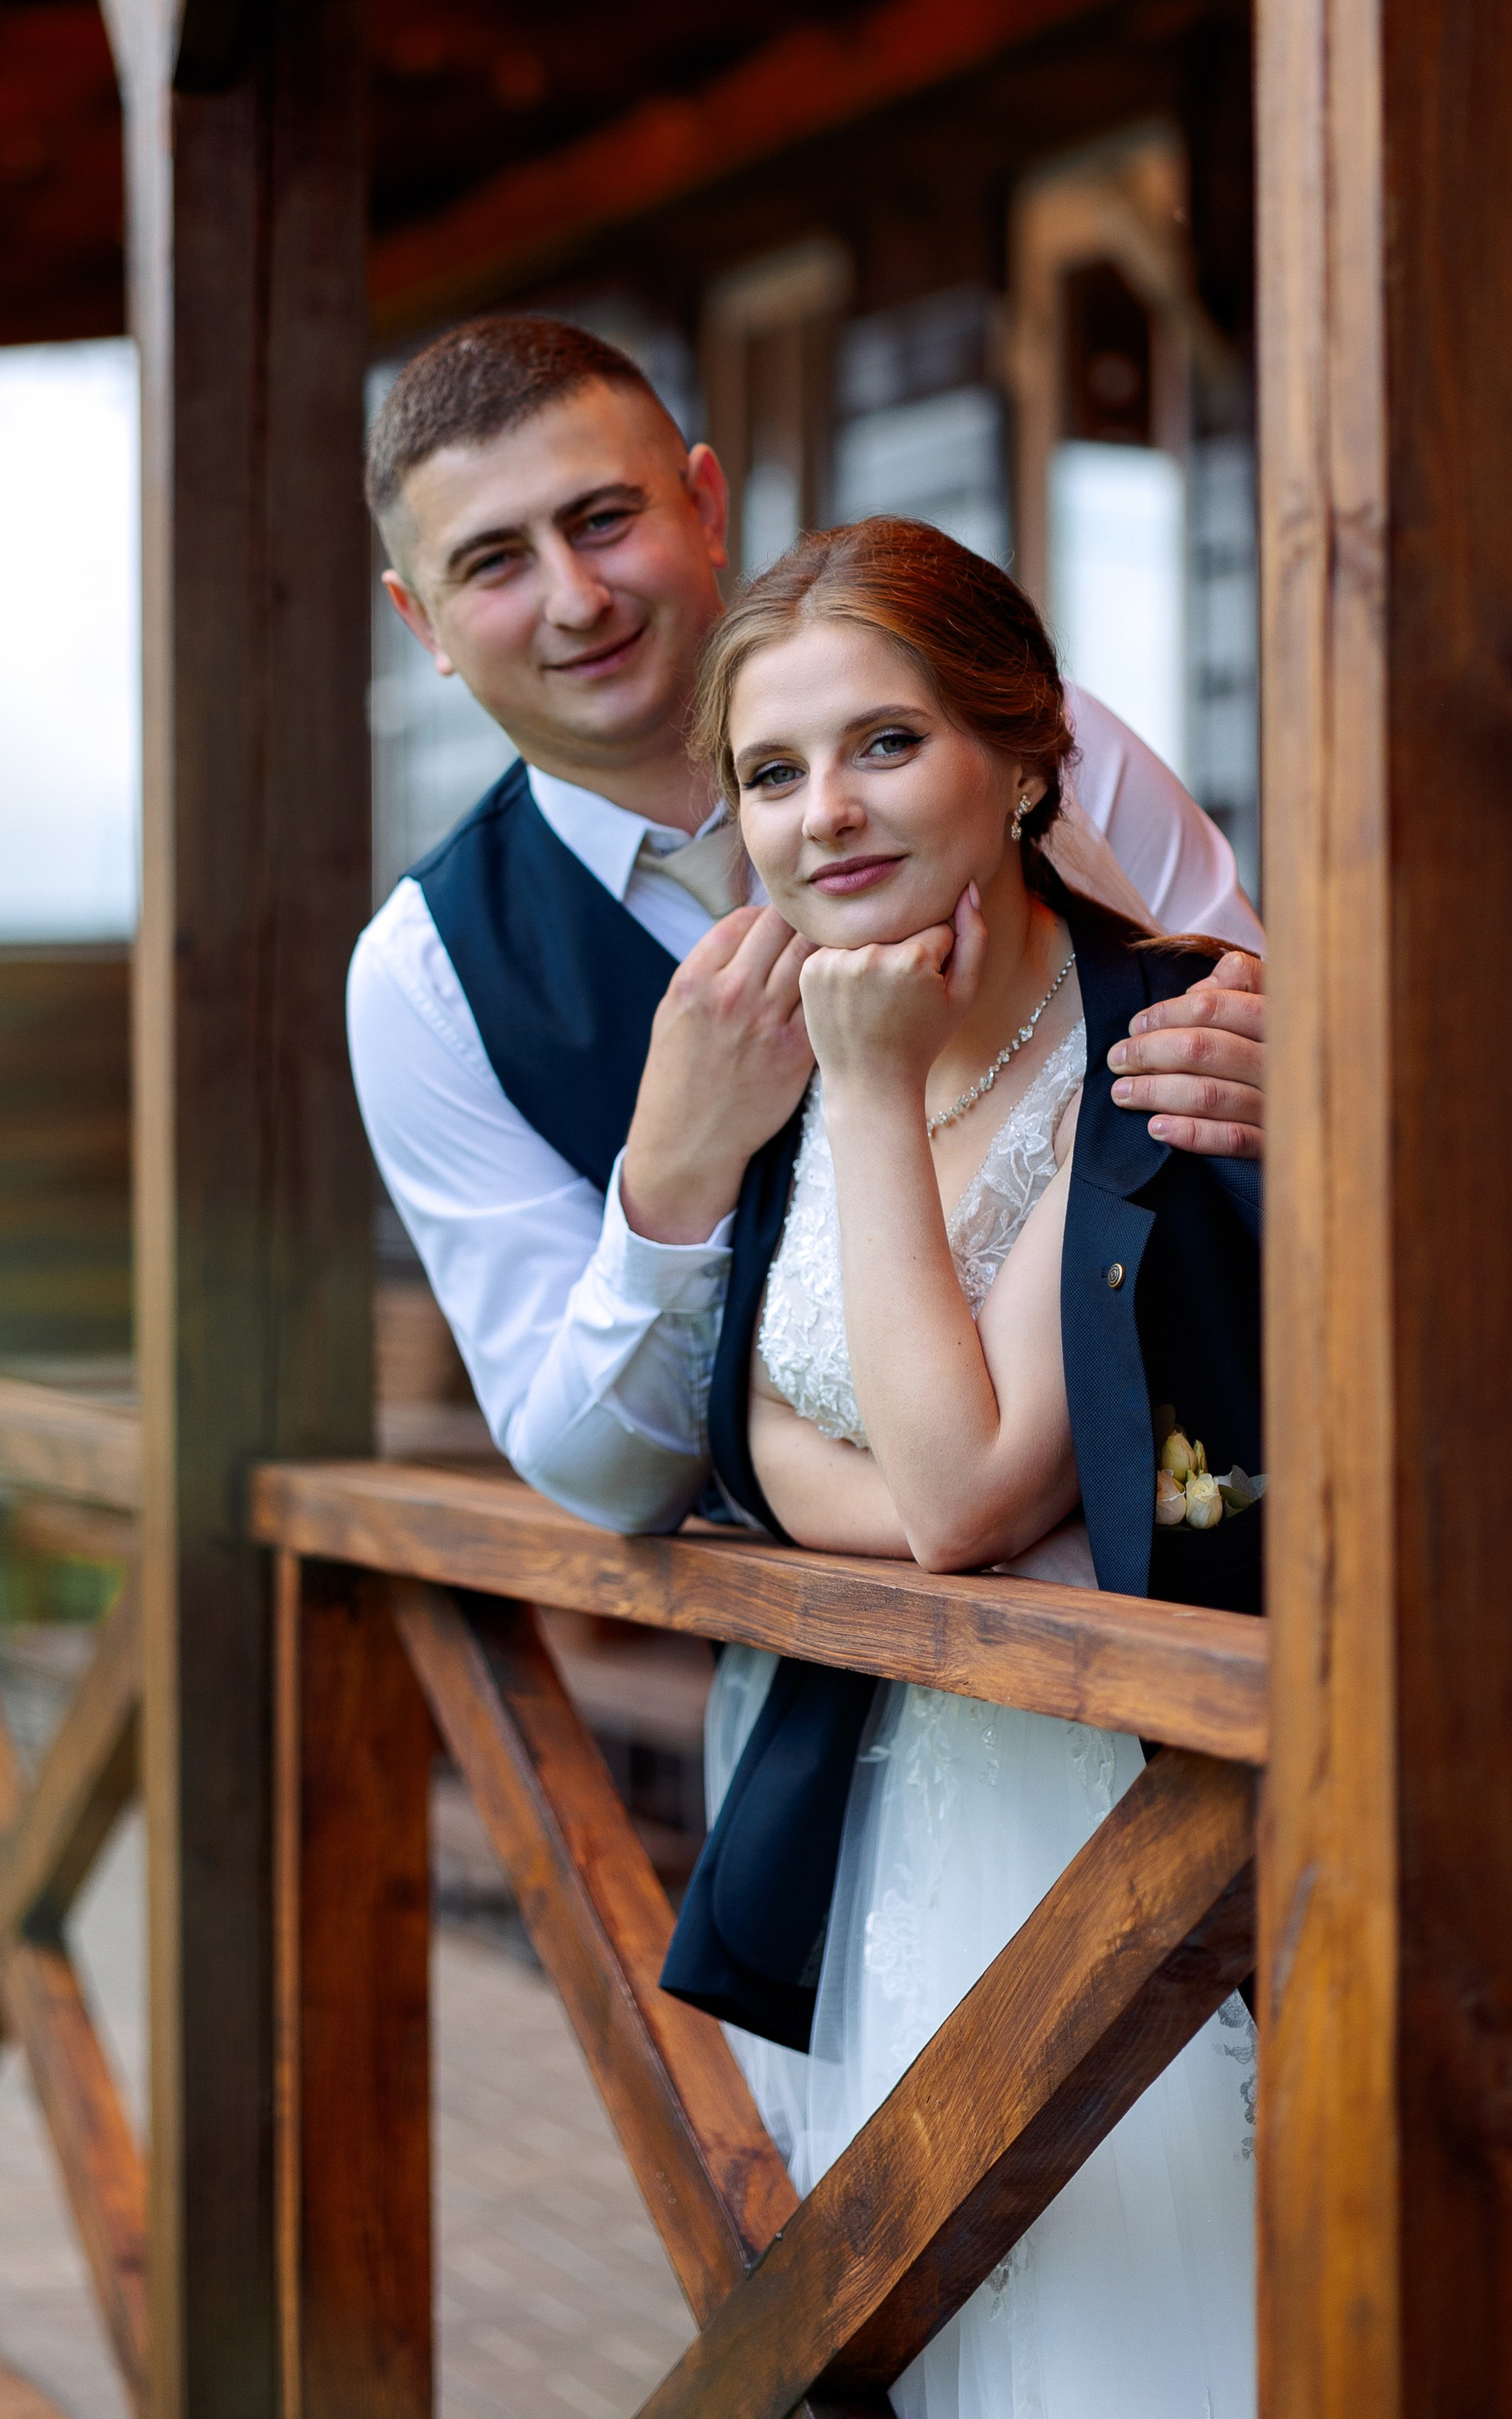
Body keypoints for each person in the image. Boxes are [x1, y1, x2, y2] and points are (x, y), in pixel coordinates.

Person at [661, 516, 1259, 2419]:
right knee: (898, 2334)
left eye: (884, 744)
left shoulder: (1155, 1034)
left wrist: (862, 1090)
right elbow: (743, 1442)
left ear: (1022, 757)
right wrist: (900, 1511)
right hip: (856, 1826)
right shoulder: (786, 1035)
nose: (822, 814)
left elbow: (961, 1489)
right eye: (772, 771)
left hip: (1118, 1828)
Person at [348, 314, 1265, 1533]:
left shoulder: (1044, 742)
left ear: (706, 506)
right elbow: (600, 1477)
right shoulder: (424, 978)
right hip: (800, 1681)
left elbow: (1250, 1039)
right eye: (495, 562)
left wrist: (1291, 1081)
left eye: (604, 519)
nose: (576, 597)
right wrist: (674, 1174)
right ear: (424, 625)